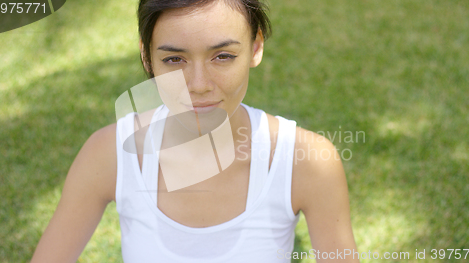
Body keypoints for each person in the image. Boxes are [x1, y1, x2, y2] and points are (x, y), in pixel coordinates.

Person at [31, 0, 359, 262]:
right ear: (147, 58)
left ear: (255, 48)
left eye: (223, 56)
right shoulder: (110, 153)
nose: (198, 86)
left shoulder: (307, 162)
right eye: (174, 60)